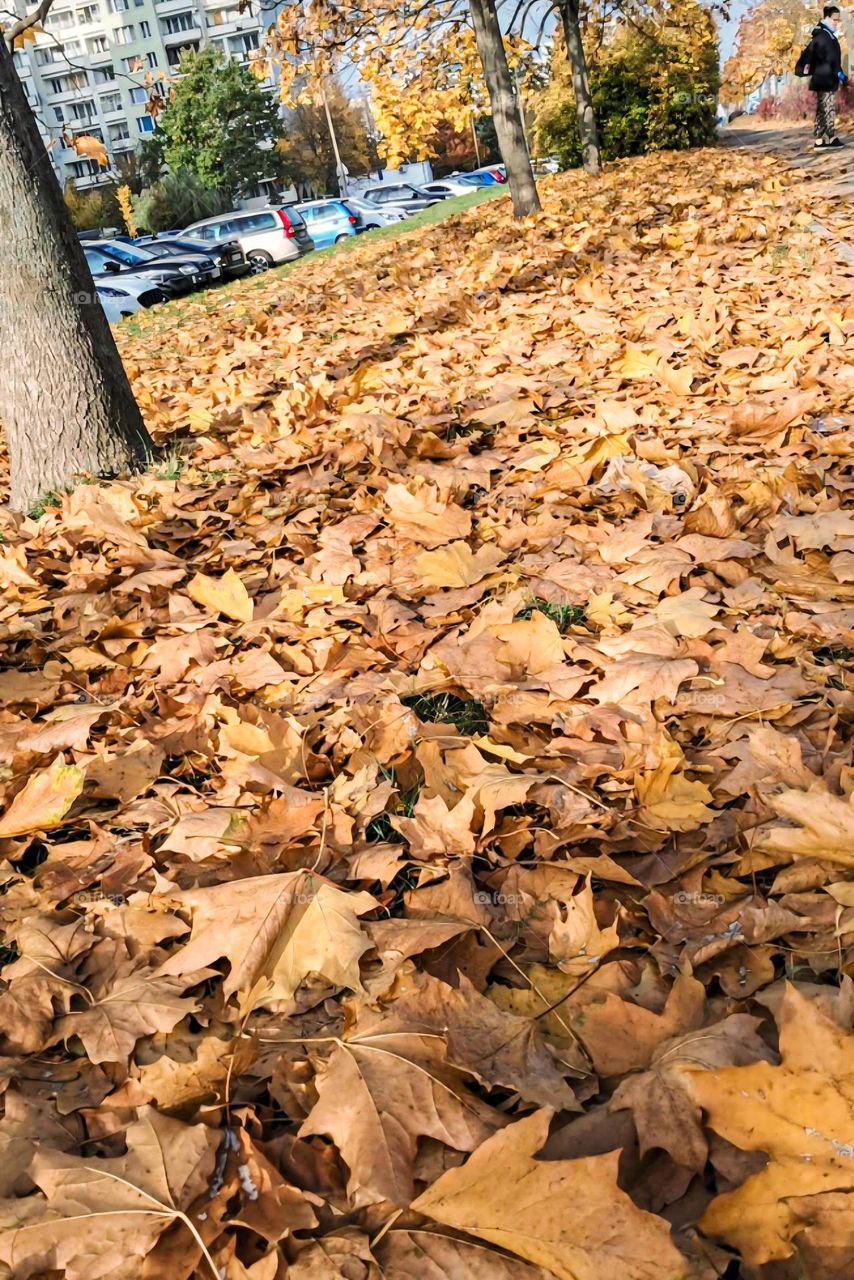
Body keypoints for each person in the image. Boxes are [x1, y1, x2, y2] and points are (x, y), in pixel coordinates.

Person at [796, 5, 848, 148]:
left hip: (821, 78)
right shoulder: (826, 37)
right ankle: (830, 138)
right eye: (834, 19)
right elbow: (831, 60)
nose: (837, 22)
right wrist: (840, 75)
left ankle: (819, 140)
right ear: (826, 18)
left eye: (838, 19)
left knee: (821, 109)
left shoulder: (821, 35)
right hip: (827, 78)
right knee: (828, 107)